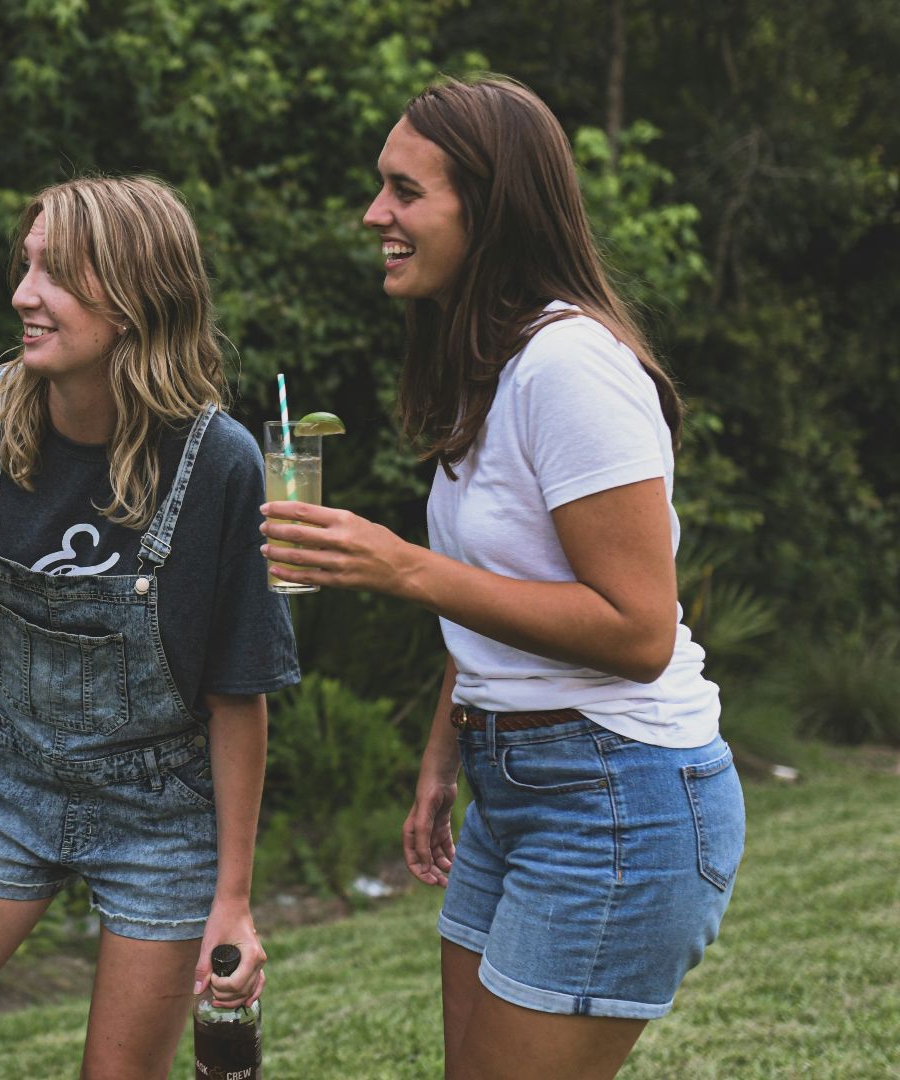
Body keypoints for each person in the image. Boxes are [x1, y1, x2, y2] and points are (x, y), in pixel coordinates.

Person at [259, 75, 745, 1078]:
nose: (374, 214)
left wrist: (401, 567)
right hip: (514, 779)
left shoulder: (572, 367)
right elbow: (508, 590)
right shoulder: (495, 366)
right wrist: (448, 754)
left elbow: (638, 629)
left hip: (614, 791)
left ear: (487, 210)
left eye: (404, 191)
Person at [0, 175, 299, 1078]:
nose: (21, 295)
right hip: (6, 780)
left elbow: (240, 693)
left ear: (130, 301)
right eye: (26, 266)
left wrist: (231, 901)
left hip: (160, 814)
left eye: (55, 275)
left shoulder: (221, 464)